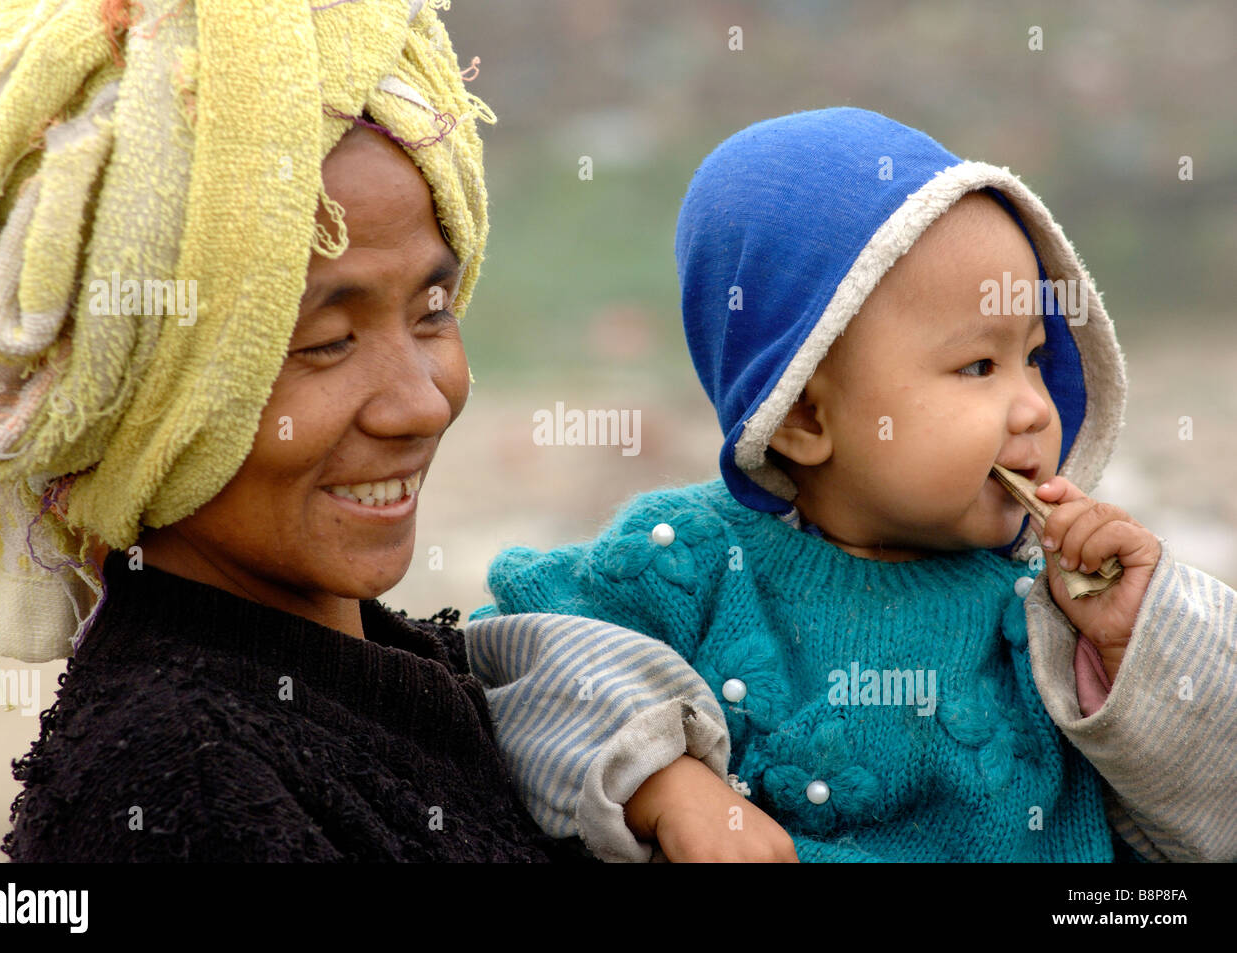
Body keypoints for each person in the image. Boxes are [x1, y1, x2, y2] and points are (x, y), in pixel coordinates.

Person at [466, 109, 1237, 862]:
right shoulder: (692, 560)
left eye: (1035, 355)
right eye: (979, 366)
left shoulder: (1058, 611)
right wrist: (665, 784)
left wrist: (1146, 641)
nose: (1037, 406)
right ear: (802, 413)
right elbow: (516, 658)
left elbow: (1211, 816)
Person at [0, 0, 600, 862]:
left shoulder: (436, 680)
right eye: (327, 343)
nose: (423, 404)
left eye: (433, 310)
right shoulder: (182, 792)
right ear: (140, 398)